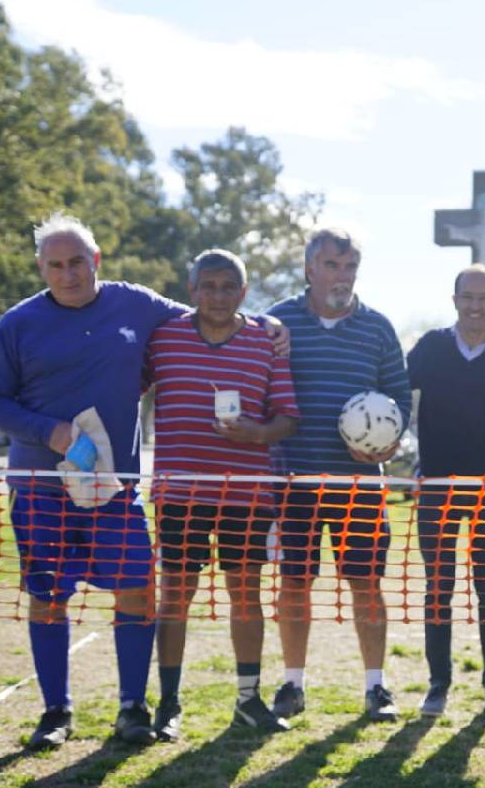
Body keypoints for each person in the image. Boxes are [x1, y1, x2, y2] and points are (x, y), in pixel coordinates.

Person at [0, 213, 188, 748]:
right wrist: (51, 432)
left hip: (114, 492)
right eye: (55, 265)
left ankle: (131, 709)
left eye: (77, 262)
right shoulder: (16, 324)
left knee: (138, 589)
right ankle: (55, 712)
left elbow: (206, 320)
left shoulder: (135, 303)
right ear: (42, 269)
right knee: (48, 597)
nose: (68, 273)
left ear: (96, 260)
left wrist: (268, 329)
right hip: (41, 489)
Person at [146, 249, 300, 740]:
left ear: (243, 291)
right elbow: (123, 385)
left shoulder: (265, 343)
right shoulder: (163, 338)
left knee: (245, 596)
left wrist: (255, 434)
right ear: (191, 290)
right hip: (180, 494)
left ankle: (248, 701)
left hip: (245, 496)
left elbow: (287, 418)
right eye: (207, 285)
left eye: (228, 285)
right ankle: (168, 704)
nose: (217, 294)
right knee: (175, 597)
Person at [267, 227, 412, 722]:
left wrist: (390, 442)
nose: (343, 276)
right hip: (294, 481)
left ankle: (376, 688)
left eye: (350, 266)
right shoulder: (276, 322)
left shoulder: (378, 328)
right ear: (310, 268)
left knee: (366, 583)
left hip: (359, 486)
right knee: (294, 583)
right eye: (332, 265)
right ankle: (291, 685)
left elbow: (399, 398)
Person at [407, 263, 485, 719]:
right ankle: (438, 685)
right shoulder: (432, 347)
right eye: (466, 297)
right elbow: (394, 392)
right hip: (436, 485)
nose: (475, 307)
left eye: (484, 298)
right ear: (454, 300)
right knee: (438, 587)